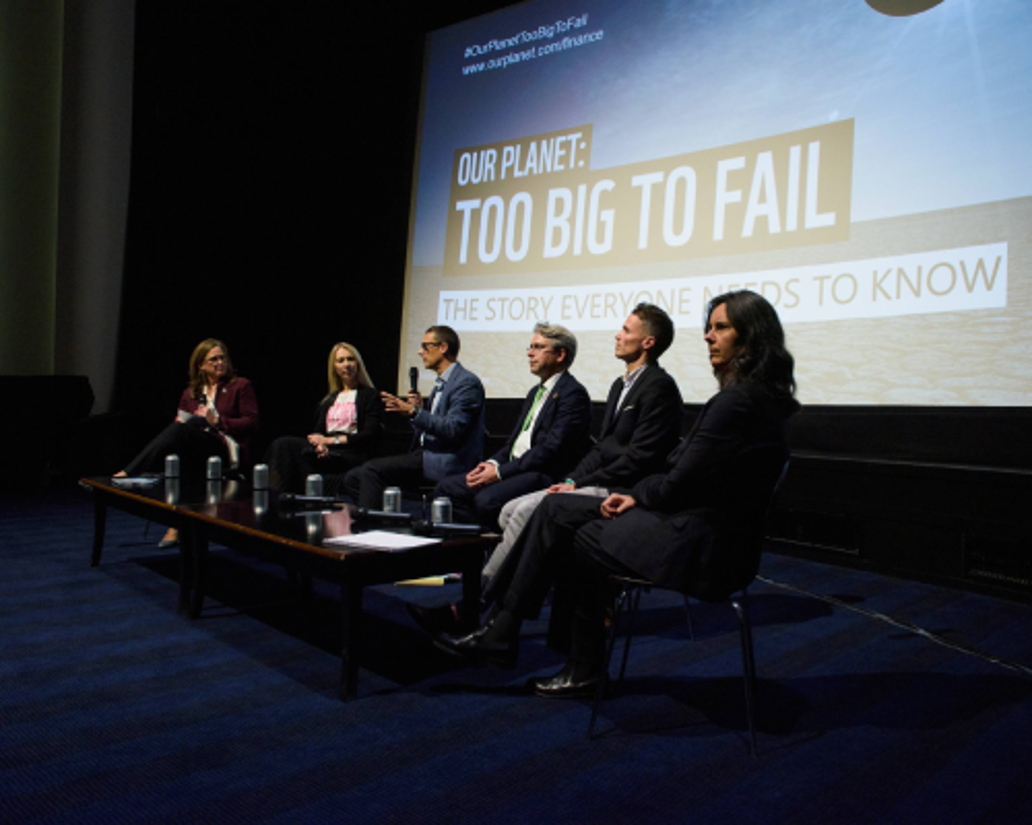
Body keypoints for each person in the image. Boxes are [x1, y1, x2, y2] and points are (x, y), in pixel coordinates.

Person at [435, 290, 799, 699]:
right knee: (560, 513)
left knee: (563, 522)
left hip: (702, 544)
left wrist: (637, 496)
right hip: (705, 529)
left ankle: (524, 641)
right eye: (708, 328)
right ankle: (535, 646)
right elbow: (679, 472)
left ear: (750, 336)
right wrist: (609, 489)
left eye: (720, 328)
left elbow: (673, 476)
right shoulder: (758, 400)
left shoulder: (735, 402)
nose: (708, 337)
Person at [408, 303, 683, 636]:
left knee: (521, 510)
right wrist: (573, 480)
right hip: (591, 482)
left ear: (648, 342)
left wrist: (576, 482)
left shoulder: (657, 386)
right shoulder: (618, 385)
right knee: (509, 509)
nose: (617, 334)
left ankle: (475, 606)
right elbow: (600, 450)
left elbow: (638, 459)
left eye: (626, 330)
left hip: (624, 493)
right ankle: (487, 599)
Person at [433, 323, 592, 530]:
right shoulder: (535, 392)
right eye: (530, 347)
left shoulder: (573, 394)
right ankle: (475, 548)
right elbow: (514, 443)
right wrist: (492, 463)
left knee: (486, 501)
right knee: (447, 488)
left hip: (541, 473)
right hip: (515, 467)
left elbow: (549, 450)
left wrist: (500, 473)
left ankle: (497, 549)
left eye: (538, 347)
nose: (529, 353)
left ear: (560, 354)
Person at [115, 338, 260, 546]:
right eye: (214, 360)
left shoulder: (240, 386)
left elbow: (252, 422)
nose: (220, 363)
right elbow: (181, 420)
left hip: (225, 446)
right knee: (179, 439)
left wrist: (218, 420)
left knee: (178, 434)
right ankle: (177, 524)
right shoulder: (190, 393)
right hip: (197, 446)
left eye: (223, 358)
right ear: (200, 365)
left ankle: (132, 473)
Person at [344, 325, 485, 508]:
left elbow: (453, 429)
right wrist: (418, 411)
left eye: (426, 346)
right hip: (425, 454)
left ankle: (370, 528)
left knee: (371, 471)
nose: (420, 352)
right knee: (353, 478)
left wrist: (414, 412)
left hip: (447, 461)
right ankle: (389, 519)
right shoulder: (441, 385)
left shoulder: (466, 382)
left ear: (443, 347)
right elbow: (429, 430)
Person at [264, 342, 381, 496]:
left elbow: (369, 434)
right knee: (283, 445)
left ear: (358, 363)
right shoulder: (330, 399)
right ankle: (274, 500)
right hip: (327, 451)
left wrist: (331, 441)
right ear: (334, 367)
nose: (346, 364)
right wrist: (320, 445)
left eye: (350, 359)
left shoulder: (369, 395)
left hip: (350, 452)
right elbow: (319, 431)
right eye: (341, 361)